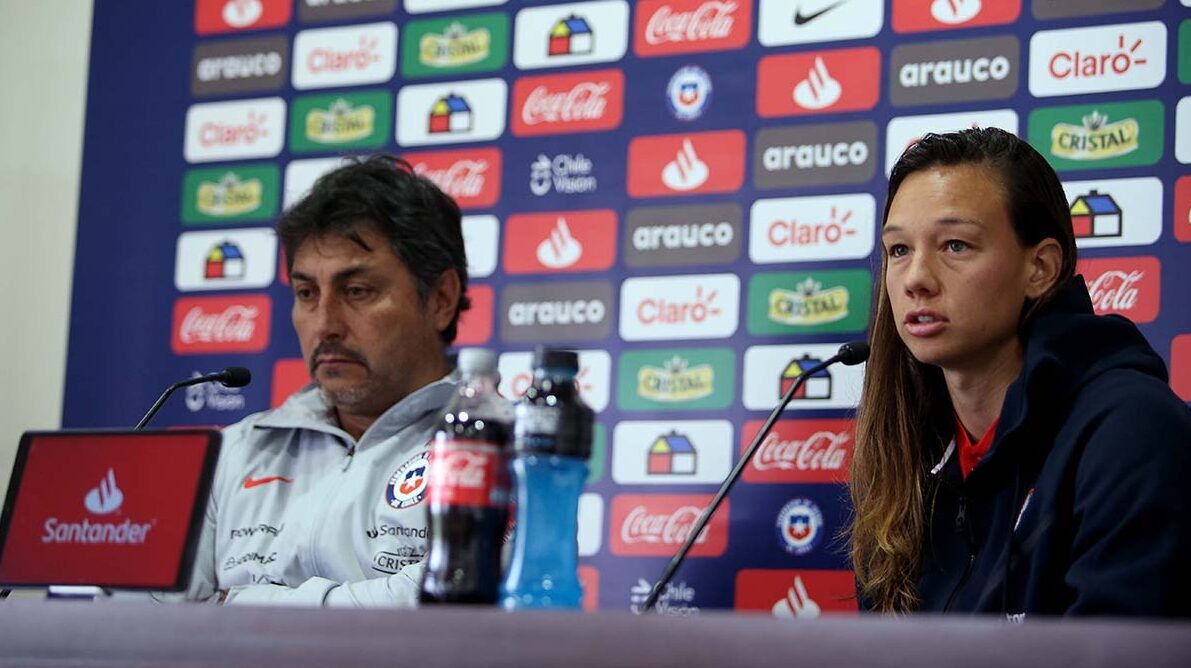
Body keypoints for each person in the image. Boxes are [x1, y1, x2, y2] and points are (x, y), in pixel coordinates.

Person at [848, 127, 1191, 617]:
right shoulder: (908, 446)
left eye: (956, 245)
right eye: (899, 250)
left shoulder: (1132, 431)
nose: (916, 279)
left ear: (1041, 268)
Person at [186, 155, 471, 606]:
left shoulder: (500, 446)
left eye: (357, 291)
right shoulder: (236, 451)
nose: (325, 324)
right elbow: (160, 619)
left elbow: (448, 602)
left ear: (440, 298)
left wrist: (236, 605)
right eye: (306, 293)